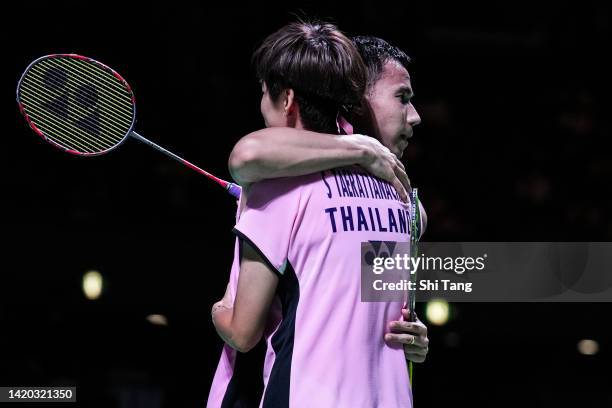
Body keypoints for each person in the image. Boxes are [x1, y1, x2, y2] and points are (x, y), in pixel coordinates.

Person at [208, 22, 427, 407]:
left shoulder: (274, 188)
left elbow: (242, 331)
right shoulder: (403, 201)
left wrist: (220, 306)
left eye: (263, 94)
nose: (414, 116)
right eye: (403, 98)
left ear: (287, 98)